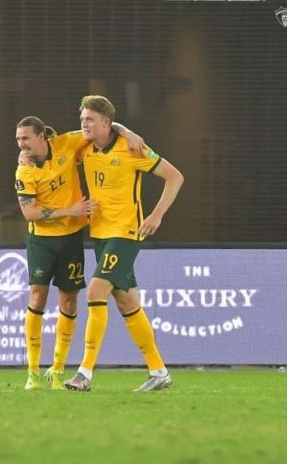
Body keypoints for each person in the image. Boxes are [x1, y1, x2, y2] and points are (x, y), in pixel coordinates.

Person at [64, 95, 184, 392]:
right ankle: (159, 372)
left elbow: (175, 177)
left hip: (126, 233)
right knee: (127, 302)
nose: (84, 124)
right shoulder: (84, 148)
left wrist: (156, 215)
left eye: (90, 119)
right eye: (82, 119)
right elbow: (53, 150)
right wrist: (25, 157)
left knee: (95, 290)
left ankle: (84, 374)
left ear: (105, 122)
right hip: (100, 234)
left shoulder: (132, 148)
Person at [14, 116, 144, 391]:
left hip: (71, 238)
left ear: (41, 136)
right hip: (41, 240)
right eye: (18, 139)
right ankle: (32, 373)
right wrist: (71, 211)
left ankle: (57, 370)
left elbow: (99, 128)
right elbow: (30, 213)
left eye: (25, 138)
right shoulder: (24, 171)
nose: (21, 144)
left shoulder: (67, 143)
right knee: (37, 297)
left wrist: (128, 132)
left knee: (69, 301)